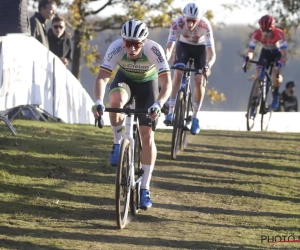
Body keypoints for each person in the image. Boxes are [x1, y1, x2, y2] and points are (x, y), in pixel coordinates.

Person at [91, 19, 172, 209]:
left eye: (136, 44)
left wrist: (159, 104)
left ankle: (144, 188)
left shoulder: (154, 50)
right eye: (128, 43)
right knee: (116, 103)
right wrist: (98, 101)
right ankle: (117, 143)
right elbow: (102, 78)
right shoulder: (116, 48)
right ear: (123, 41)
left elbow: (167, 83)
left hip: (148, 86)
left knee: (147, 136)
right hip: (125, 80)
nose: (132, 48)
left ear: (144, 42)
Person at [164, 2, 216, 135]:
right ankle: (170, 112)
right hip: (183, 47)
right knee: (178, 73)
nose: (191, 24)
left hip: (200, 49)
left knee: (198, 80)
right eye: (188, 20)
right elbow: (170, 47)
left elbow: (211, 53)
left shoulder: (205, 25)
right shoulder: (177, 23)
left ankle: (195, 118)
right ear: (183, 18)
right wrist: (164, 59)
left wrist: (208, 65)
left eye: (194, 21)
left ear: (199, 20)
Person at [243, 14, 288, 111]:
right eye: (263, 30)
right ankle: (253, 105)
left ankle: (275, 93)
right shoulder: (256, 34)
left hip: (277, 54)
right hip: (265, 54)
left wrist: (280, 62)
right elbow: (251, 51)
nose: (265, 33)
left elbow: (284, 55)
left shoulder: (279, 33)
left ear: (273, 28)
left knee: (276, 71)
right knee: (259, 76)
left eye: (268, 30)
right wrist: (248, 57)